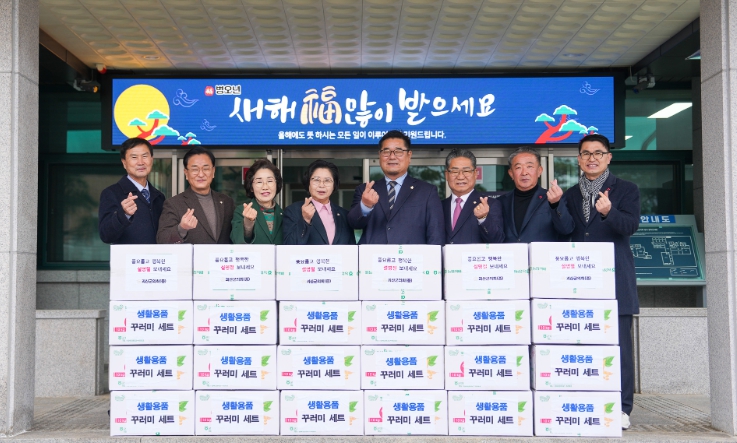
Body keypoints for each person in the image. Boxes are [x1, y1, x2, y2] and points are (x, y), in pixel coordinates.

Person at [562, 134, 640, 430]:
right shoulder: (570, 194)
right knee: (584, 346)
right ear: (578, 159)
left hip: (615, 281)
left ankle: (622, 407)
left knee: (619, 348)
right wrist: (556, 206)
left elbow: (630, 226)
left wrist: (609, 212)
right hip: (580, 282)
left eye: (598, 153)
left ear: (609, 157)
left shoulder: (626, 189)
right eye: (586, 153)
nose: (591, 158)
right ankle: (590, 400)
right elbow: (568, 231)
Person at [347, 130, 444, 244]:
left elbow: (436, 235)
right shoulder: (366, 190)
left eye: (398, 151)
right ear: (379, 155)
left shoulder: (427, 192)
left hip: (411, 255)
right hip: (373, 255)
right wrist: (365, 206)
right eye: (386, 151)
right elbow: (353, 223)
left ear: (409, 155)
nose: (392, 157)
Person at [157, 146, 235, 244]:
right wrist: (181, 229)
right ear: (186, 173)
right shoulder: (173, 204)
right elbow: (162, 239)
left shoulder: (227, 202)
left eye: (206, 168)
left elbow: (235, 235)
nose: (201, 174)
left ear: (213, 171)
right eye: (195, 169)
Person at [498, 146, 574, 242]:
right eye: (518, 167)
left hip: (541, 252)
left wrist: (555, 204)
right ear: (511, 173)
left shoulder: (552, 198)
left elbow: (566, 229)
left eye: (529, 167)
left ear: (539, 171)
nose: (524, 173)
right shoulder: (500, 202)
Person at [99, 137, 165, 244]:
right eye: (134, 157)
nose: (141, 162)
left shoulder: (159, 197)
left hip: (157, 255)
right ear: (124, 163)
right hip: (129, 255)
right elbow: (105, 235)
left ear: (152, 159)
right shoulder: (112, 193)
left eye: (145, 156)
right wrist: (124, 214)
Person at [283, 160, 355, 245]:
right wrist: (305, 220)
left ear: (334, 185)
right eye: (316, 180)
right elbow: (288, 246)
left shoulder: (344, 215)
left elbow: (352, 249)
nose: (321, 185)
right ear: (308, 183)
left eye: (327, 180)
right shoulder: (293, 211)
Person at [442, 148, 504, 244]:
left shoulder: (490, 204)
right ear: (446, 175)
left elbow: (497, 241)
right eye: (454, 171)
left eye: (466, 171)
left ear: (475, 174)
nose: (460, 176)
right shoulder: (439, 206)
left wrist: (483, 218)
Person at [230, 159, 284, 244]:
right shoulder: (241, 211)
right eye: (259, 182)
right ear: (251, 187)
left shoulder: (284, 214)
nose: (265, 187)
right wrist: (248, 224)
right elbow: (237, 240)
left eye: (270, 181)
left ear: (277, 185)